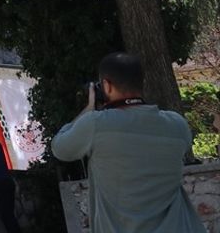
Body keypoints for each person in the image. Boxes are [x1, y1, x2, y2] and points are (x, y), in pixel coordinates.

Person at [52, 52, 205, 233]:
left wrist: (90, 106)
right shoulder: (177, 124)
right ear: (142, 83)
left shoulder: (95, 124)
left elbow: (60, 148)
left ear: (107, 86)